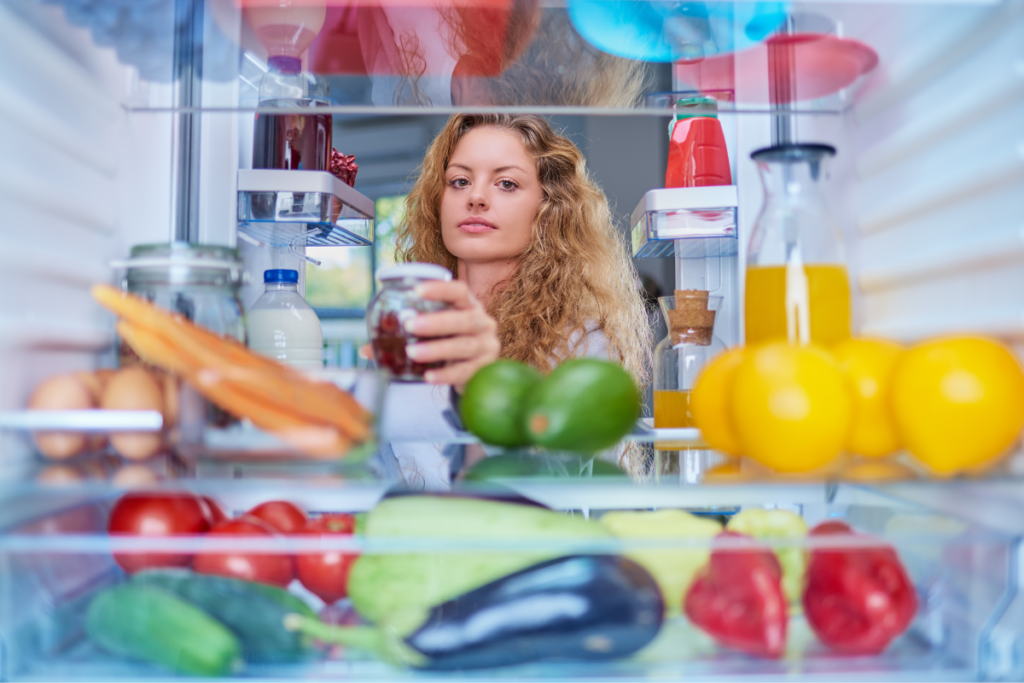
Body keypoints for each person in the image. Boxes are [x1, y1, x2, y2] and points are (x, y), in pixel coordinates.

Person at [375, 113, 651, 486]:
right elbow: (380, 467)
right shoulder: (410, 328)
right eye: (459, 181)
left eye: (506, 184)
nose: (475, 197)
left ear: (548, 208)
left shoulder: (580, 342)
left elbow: (556, 481)